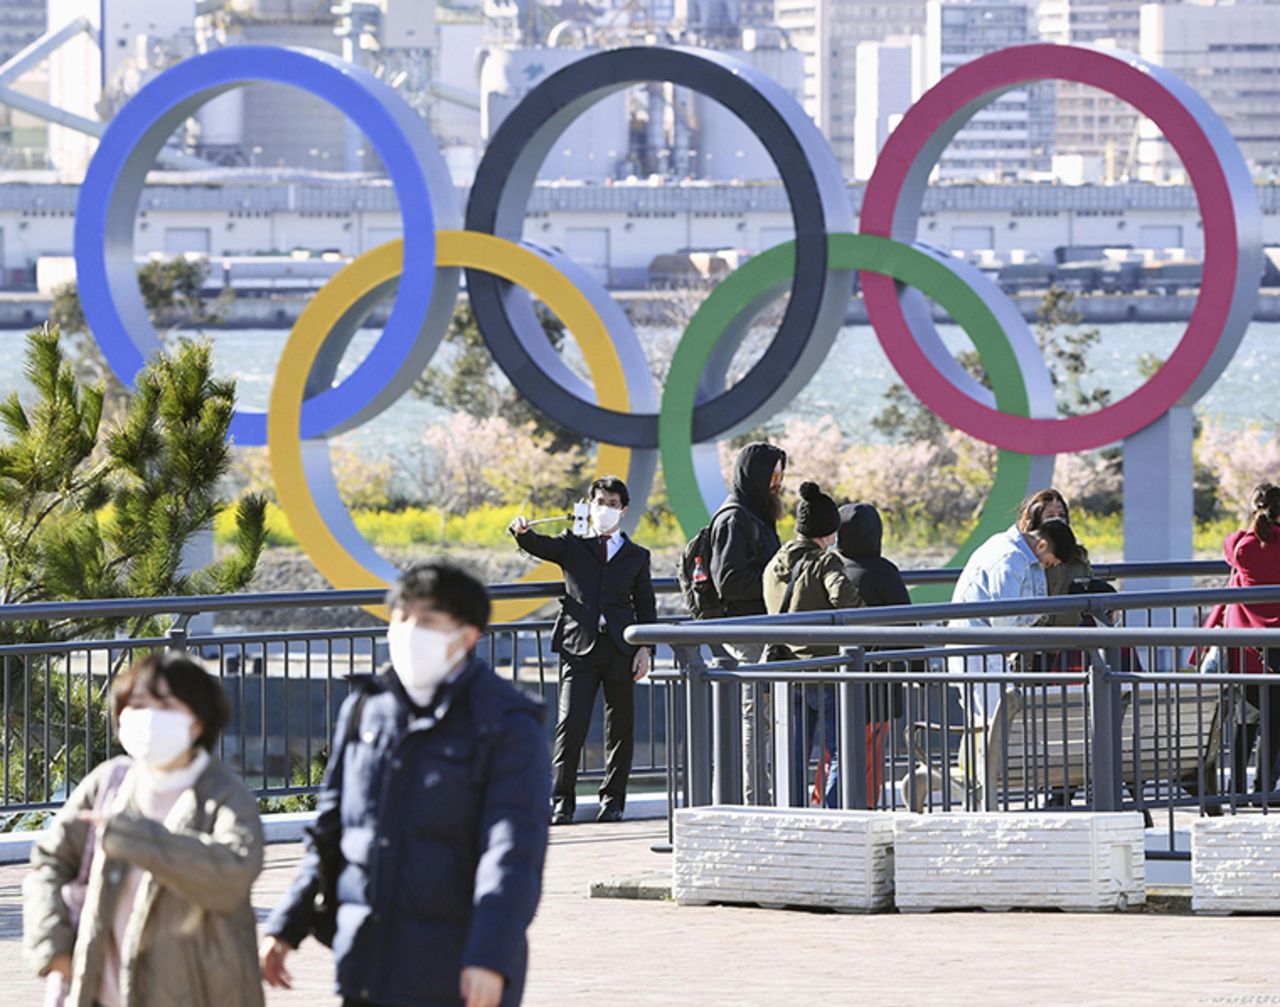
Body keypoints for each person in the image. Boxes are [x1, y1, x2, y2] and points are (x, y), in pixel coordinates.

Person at [261, 562, 551, 1007]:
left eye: (428, 620)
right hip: (365, 962)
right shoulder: (366, 708)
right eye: (402, 618)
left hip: (457, 970)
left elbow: (512, 854)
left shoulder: (507, 722)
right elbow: (331, 831)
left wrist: (490, 958)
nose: (410, 632)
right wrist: (286, 926)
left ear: (468, 635)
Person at [24, 652, 265, 1007]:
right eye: (137, 704)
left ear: (198, 721)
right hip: (99, 992)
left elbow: (233, 873)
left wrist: (132, 837)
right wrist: (52, 944)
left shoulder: (224, 795)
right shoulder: (109, 783)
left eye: (164, 704)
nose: (148, 716)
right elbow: (49, 862)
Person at [508, 476, 655, 824]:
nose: (605, 509)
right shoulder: (572, 545)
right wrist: (521, 531)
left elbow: (646, 606)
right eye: (600, 502)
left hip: (622, 648)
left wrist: (645, 648)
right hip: (579, 648)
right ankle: (562, 801)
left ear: (624, 510)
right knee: (570, 723)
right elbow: (537, 544)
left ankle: (613, 800)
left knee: (620, 727)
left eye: (613, 504)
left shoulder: (637, 556)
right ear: (589, 505)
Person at [763, 481, 860, 808]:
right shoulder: (824, 562)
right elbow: (843, 598)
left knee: (792, 755)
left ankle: (792, 817)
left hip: (788, 672)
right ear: (828, 532)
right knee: (841, 753)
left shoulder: (774, 565)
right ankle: (834, 817)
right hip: (827, 674)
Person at [709, 441, 787, 804]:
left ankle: (763, 796)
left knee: (766, 719)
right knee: (755, 719)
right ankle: (754, 799)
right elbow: (728, 581)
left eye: (780, 476)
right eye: (773, 476)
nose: (778, 484)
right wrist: (776, 582)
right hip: (747, 632)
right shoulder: (735, 518)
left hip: (764, 630)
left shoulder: (756, 515)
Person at [947, 518, 1078, 720]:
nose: (1046, 567)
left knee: (987, 725)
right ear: (1041, 545)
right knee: (994, 726)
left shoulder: (1006, 546)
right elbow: (1004, 619)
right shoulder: (1011, 559)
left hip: (980, 648)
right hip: (980, 651)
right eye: (1048, 562)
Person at [836, 501, 912, 806]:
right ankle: (864, 808)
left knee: (834, 750)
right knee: (869, 752)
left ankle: (826, 804)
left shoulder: (831, 570)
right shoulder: (884, 573)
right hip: (879, 685)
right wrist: (919, 672)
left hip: (835, 680)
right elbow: (908, 626)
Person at [1218, 483, 1280, 801]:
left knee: (1247, 716)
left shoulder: (1240, 545)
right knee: (1275, 719)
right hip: (1278, 646)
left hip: (1248, 648)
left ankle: (1236, 787)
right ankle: (1265, 786)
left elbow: (1231, 548)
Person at [1017, 489, 1094, 627]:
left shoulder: (1078, 557)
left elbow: (1090, 586)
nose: (1058, 520)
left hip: (1070, 638)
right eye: (1050, 516)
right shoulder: (1020, 558)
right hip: (1030, 640)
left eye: (1062, 515)